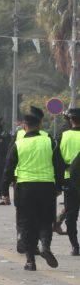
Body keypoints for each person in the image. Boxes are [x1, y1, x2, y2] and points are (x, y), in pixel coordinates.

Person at [1, 110, 63, 270]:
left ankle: (30, 261)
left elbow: (8, 169)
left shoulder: (18, 144)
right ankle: (45, 247)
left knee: (27, 223)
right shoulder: (49, 142)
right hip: (46, 186)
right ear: (40, 125)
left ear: (24, 126)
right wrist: (58, 187)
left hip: (25, 187)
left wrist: (4, 192)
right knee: (46, 220)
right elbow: (59, 165)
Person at [54, 107, 80, 256]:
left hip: (69, 180)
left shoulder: (63, 136)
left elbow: (57, 161)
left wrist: (58, 184)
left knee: (71, 214)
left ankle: (75, 246)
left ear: (71, 120)